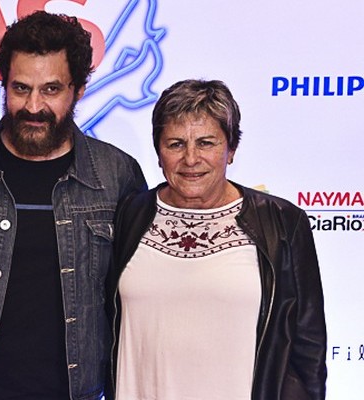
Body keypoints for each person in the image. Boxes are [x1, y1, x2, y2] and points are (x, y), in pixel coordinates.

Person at [0, 11, 147, 400]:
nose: (33, 106)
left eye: (51, 90)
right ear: (3, 83)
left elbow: (135, 295)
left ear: (78, 89)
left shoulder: (117, 175)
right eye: (21, 88)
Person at [106, 79, 327, 400]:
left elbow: (308, 347)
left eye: (206, 143)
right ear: (158, 153)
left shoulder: (281, 223)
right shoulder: (129, 215)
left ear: (231, 149)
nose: (191, 159)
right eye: (175, 144)